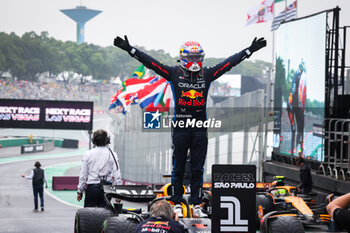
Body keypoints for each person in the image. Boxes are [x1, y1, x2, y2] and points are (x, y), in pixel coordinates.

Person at [114, 35, 266, 217]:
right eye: (191, 57)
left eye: (197, 57)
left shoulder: (207, 74)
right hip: (181, 127)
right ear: (183, 57)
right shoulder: (173, 72)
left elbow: (229, 63)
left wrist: (249, 50)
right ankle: (177, 202)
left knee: (197, 168)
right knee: (178, 168)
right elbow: (151, 63)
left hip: (200, 127)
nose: (195, 61)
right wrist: (130, 49)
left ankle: (196, 204)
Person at [77, 129, 122, 207]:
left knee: (89, 215)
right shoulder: (113, 154)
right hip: (107, 189)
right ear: (107, 140)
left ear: (93, 141)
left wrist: (79, 191)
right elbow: (117, 175)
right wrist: (118, 194)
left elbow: (83, 175)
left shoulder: (88, 154)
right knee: (104, 215)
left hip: (92, 188)